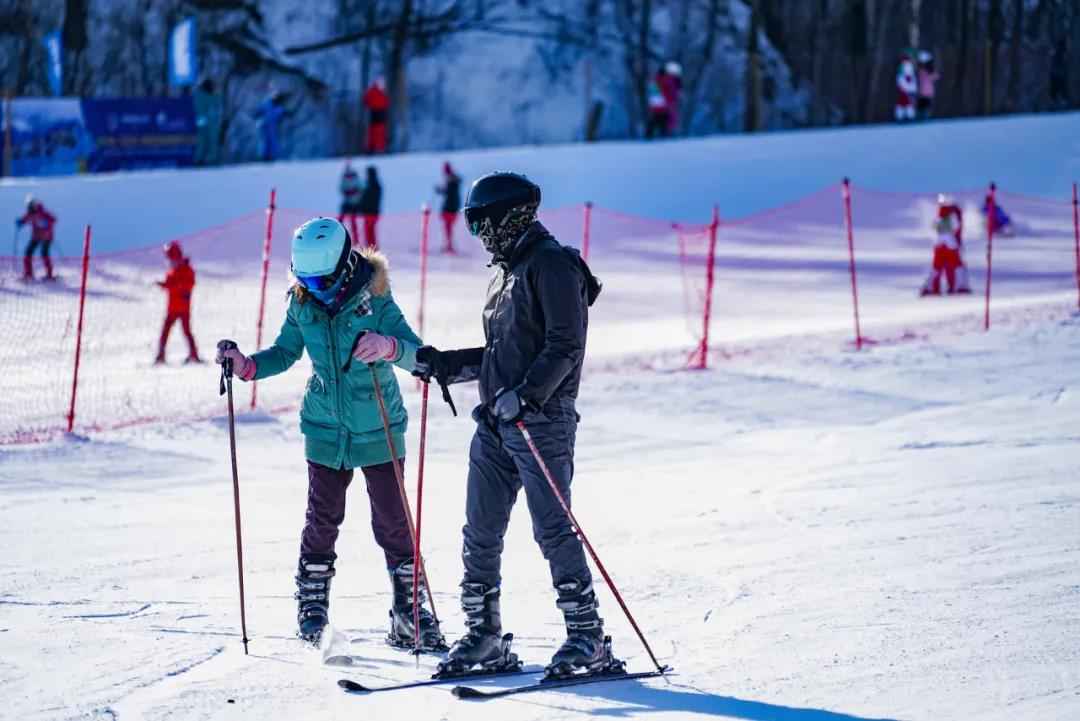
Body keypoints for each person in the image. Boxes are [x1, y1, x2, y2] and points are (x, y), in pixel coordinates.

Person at [411, 172, 609, 679]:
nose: (478, 233)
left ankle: (587, 637)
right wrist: (447, 364)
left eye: (481, 221)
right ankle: (484, 636)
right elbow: (502, 355)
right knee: (480, 530)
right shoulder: (505, 272)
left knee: (551, 528)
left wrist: (527, 396)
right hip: (498, 422)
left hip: (542, 421)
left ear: (509, 215)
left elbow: (566, 344)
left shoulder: (552, 265)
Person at [214, 217, 444, 650]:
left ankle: (408, 613)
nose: (314, 288)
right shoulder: (302, 303)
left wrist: (388, 347)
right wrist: (246, 366)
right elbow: (284, 352)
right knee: (322, 520)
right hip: (325, 427)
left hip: (378, 422)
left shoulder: (375, 299)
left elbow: (417, 353)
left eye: (321, 279)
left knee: (394, 523)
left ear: (342, 266)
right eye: (305, 279)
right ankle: (313, 609)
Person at [156, 242, 201, 364]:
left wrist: (175, 286)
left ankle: (194, 354)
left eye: (171, 257)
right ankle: (161, 355)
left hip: (183, 308)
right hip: (172, 308)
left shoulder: (187, 270)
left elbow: (189, 285)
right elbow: (170, 284)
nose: (170, 260)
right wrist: (163, 285)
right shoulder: (172, 271)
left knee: (186, 330)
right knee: (165, 331)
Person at [920, 195, 971, 296]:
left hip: (939, 243)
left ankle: (929, 287)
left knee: (936, 266)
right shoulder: (953, 214)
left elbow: (934, 227)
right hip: (951, 243)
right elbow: (956, 227)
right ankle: (961, 286)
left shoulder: (939, 214)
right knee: (957, 265)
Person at [16, 195, 57, 281]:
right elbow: (25, 219)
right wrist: (20, 222)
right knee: (28, 252)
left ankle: (49, 274)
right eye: (29, 206)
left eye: (31, 205)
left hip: (47, 236)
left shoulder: (42, 212)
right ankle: (28, 273)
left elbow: (53, 219)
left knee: (44, 253)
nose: (30, 207)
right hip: (36, 237)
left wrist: (47, 224)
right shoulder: (30, 213)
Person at [645, 62, 682, 139]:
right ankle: (663, 135)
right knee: (665, 120)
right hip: (664, 104)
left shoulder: (657, 79)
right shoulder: (669, 80)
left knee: (657, 119)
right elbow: (672, 94)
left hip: (656, 103)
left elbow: (652, 90)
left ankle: (653, 135)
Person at [193, 77, 223, 166]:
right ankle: (204, 160)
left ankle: (202, 159)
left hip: (206, 122)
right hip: (207, 122)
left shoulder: (206, 96)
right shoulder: (203, 96)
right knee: (206, 141)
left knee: (204, 141)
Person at [434, 162, 462, 253]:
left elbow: (449, 194)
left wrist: (442, 190)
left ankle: (449, 246)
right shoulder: (453, 182)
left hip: (450, 209)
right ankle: (449, 245)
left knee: (448, 228)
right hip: (451, 209)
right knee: (448, 228)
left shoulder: (452, 182)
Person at [257, 90, 287, 162]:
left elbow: (282, 116)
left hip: (273, 127)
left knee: (273, 141)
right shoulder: (266, 104)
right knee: (265, 141)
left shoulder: (280, 108)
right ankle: (264, 156)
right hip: (265, 125)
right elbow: (259, 112)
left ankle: (272, 156)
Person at [338, 159, 363, 245]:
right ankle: (336, 238)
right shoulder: (344, 176)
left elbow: (359, 187)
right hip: (347, 202)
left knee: (353, 222)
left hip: (354, 203)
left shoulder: (354, 175)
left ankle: (356, 241)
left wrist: (353, 192)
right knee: (340, 221)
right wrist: (348, 192)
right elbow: (341, 188)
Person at [363, 77, 390, 154]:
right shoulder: (373, 91)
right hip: (375, 113)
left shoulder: (380, 92)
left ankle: (378, 147)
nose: (382, 85)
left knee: (379, 131)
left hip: (380, 114)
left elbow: (386, 103)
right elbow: (367, 101)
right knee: (375, 131)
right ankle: (375, 148)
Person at [358, 165, 382, 250]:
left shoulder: (373, 186)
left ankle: (372, 249)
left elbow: (368, 200)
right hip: (371, 213)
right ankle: (371, 248)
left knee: (369, 232)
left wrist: (362, 205)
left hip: (371, 213)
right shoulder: (373, 185)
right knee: (369, 232)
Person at [916, 51, 939, 120]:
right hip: (925, 91)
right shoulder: (923, 71)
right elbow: (936, 77)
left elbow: (936, 77)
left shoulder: (924, 71)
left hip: (925, 91)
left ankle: (925, 117)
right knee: (923, 105)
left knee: (924, 105)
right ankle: (923, 116)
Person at [895, 50, 918, 122]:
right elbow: (901, 80)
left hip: (908, 89)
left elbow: (912, 78)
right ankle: (903, 117)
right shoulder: (904, 66)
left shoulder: (909, 66)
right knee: (905, 103)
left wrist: (913, 89)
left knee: (907, 103)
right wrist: (908, 89)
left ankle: (907, 116)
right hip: (904, 90)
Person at [1049, 39, 1068, 110]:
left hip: (1055, 73)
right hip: (1059, 74)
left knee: (1055, 90)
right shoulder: (1061, 51)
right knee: (1060, 90)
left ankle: (1056, 104)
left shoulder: (1056, 51)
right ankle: (1059, 104)